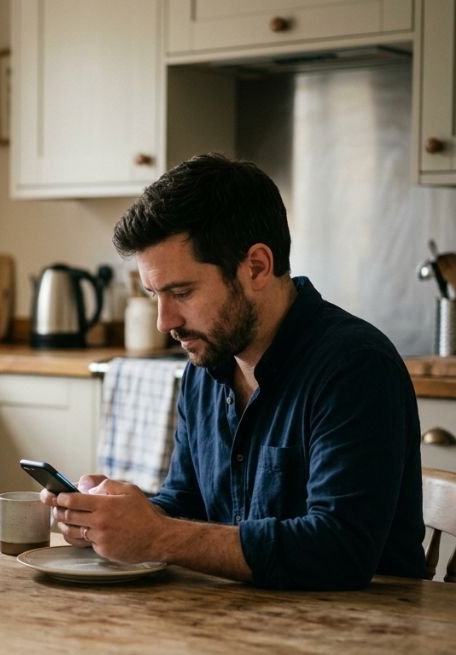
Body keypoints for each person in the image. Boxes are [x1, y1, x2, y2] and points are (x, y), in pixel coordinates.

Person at [45, 153, 425, 590]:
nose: (164, 321)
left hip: (370, 633)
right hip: (242, 622)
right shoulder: (206, 365)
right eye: (154, 295)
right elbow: (189, 504)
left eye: (182, 292)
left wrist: (159, 536)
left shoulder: (355, 367)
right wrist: (113, 518)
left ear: (257, 267)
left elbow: (340, 550)